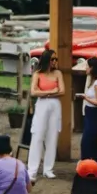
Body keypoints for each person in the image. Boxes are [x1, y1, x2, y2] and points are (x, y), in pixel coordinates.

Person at [27, 49, 65, 181]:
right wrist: (51, 91)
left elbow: (62, 91)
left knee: (52, 136)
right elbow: (33, 92)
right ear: (46, 60)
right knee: (37, 135)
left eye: (56, 59)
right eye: (52, 59)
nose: (55, 62)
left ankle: (48, 168)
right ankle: (32, 169)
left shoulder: (58, 73)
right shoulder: (38, 74)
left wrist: (45, 92)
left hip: (54, 105)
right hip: (42, 104)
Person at [79, 57, 97, 165]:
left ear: (92, 68)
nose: (85, 68)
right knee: (92, 142)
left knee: (86, 142)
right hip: (90, 114)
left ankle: (87, 164)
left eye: (87, 66)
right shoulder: (94, 82)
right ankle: (94, 164)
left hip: (95, 115)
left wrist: (86, 98)